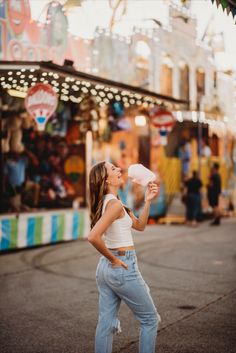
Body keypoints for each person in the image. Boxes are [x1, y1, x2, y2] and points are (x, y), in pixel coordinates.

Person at [88, 161, 161, 353]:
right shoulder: (114, 205)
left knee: (106, 323)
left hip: (105, 269)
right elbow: (93, 237)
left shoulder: (113, 203)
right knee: (150, 320)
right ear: (105, 181)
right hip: (120, 265)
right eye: (113, 169)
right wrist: (114, 260)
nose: (119, 169)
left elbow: (140, 226)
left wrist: (148, 200)